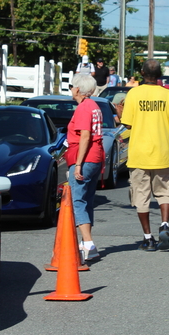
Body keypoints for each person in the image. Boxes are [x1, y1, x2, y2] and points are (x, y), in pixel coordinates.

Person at [120, 60, 169, 251]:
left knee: (141, 196)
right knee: (165, 192)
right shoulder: (168, 95)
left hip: (139, 154)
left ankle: (148, 238)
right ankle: (165, 224)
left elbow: (128, 124)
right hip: (162, 153)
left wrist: (120, 113)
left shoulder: (133, 94)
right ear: (160, 75)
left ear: (141, 73)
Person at [66, 74, 105, 263]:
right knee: (87, 200)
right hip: (97, 156)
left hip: (86, 157)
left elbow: (85, 136)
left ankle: (88, 243)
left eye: (71, 86)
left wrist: (78, 164)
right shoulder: (94, 106)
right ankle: (85, 242)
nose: (71, 90)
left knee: (78, 200)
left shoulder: (83, 108)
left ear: (79, 89)